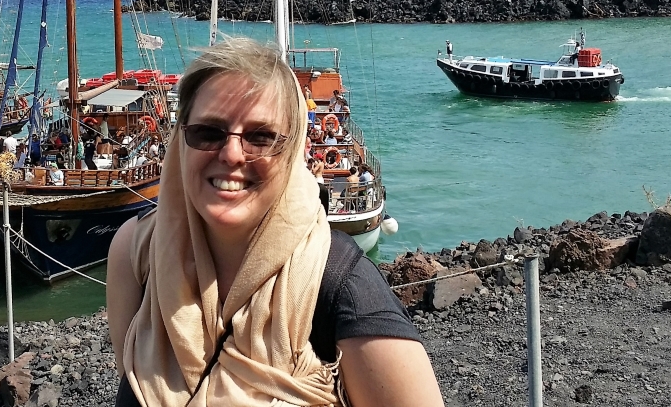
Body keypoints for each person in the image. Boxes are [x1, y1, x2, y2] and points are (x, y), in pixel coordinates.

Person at [106, 38, 443, 407]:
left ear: (293, 148)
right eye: (208, 132)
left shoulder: (341, 286)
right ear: (180, 139)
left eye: (261, 137)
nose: (232, 154)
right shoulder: (137, 253)